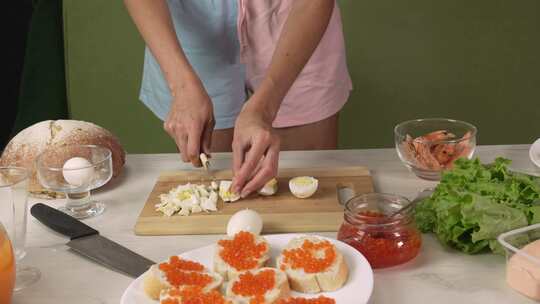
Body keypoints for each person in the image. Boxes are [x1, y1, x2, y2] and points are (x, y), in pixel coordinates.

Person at [124, 0, 351, 198]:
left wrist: (264, 109)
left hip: (294, 23)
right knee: (214, 182)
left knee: (308, 177)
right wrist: (182, 87)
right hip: (193, 26)